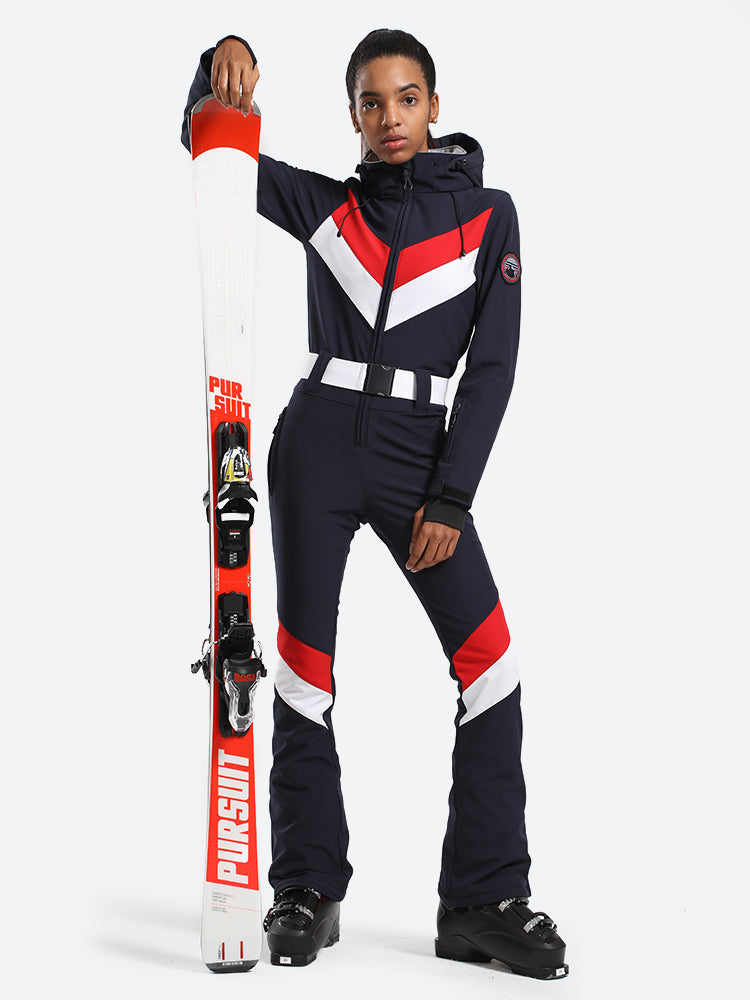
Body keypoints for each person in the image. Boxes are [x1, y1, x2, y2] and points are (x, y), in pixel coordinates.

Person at [181, 29, 568, 980]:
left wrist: (452, 494)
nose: (389, 117)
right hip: (313, 445)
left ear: (434, 106)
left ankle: (480, 899)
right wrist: (221, 61)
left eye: (406, 98)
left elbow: (494, 368)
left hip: (420, 458)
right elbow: (209, 152)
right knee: (303, 670)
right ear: (352, 114)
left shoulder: (489, 217)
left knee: (491, 668)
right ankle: (306, 888)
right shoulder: (328, 209)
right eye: (370, 101)